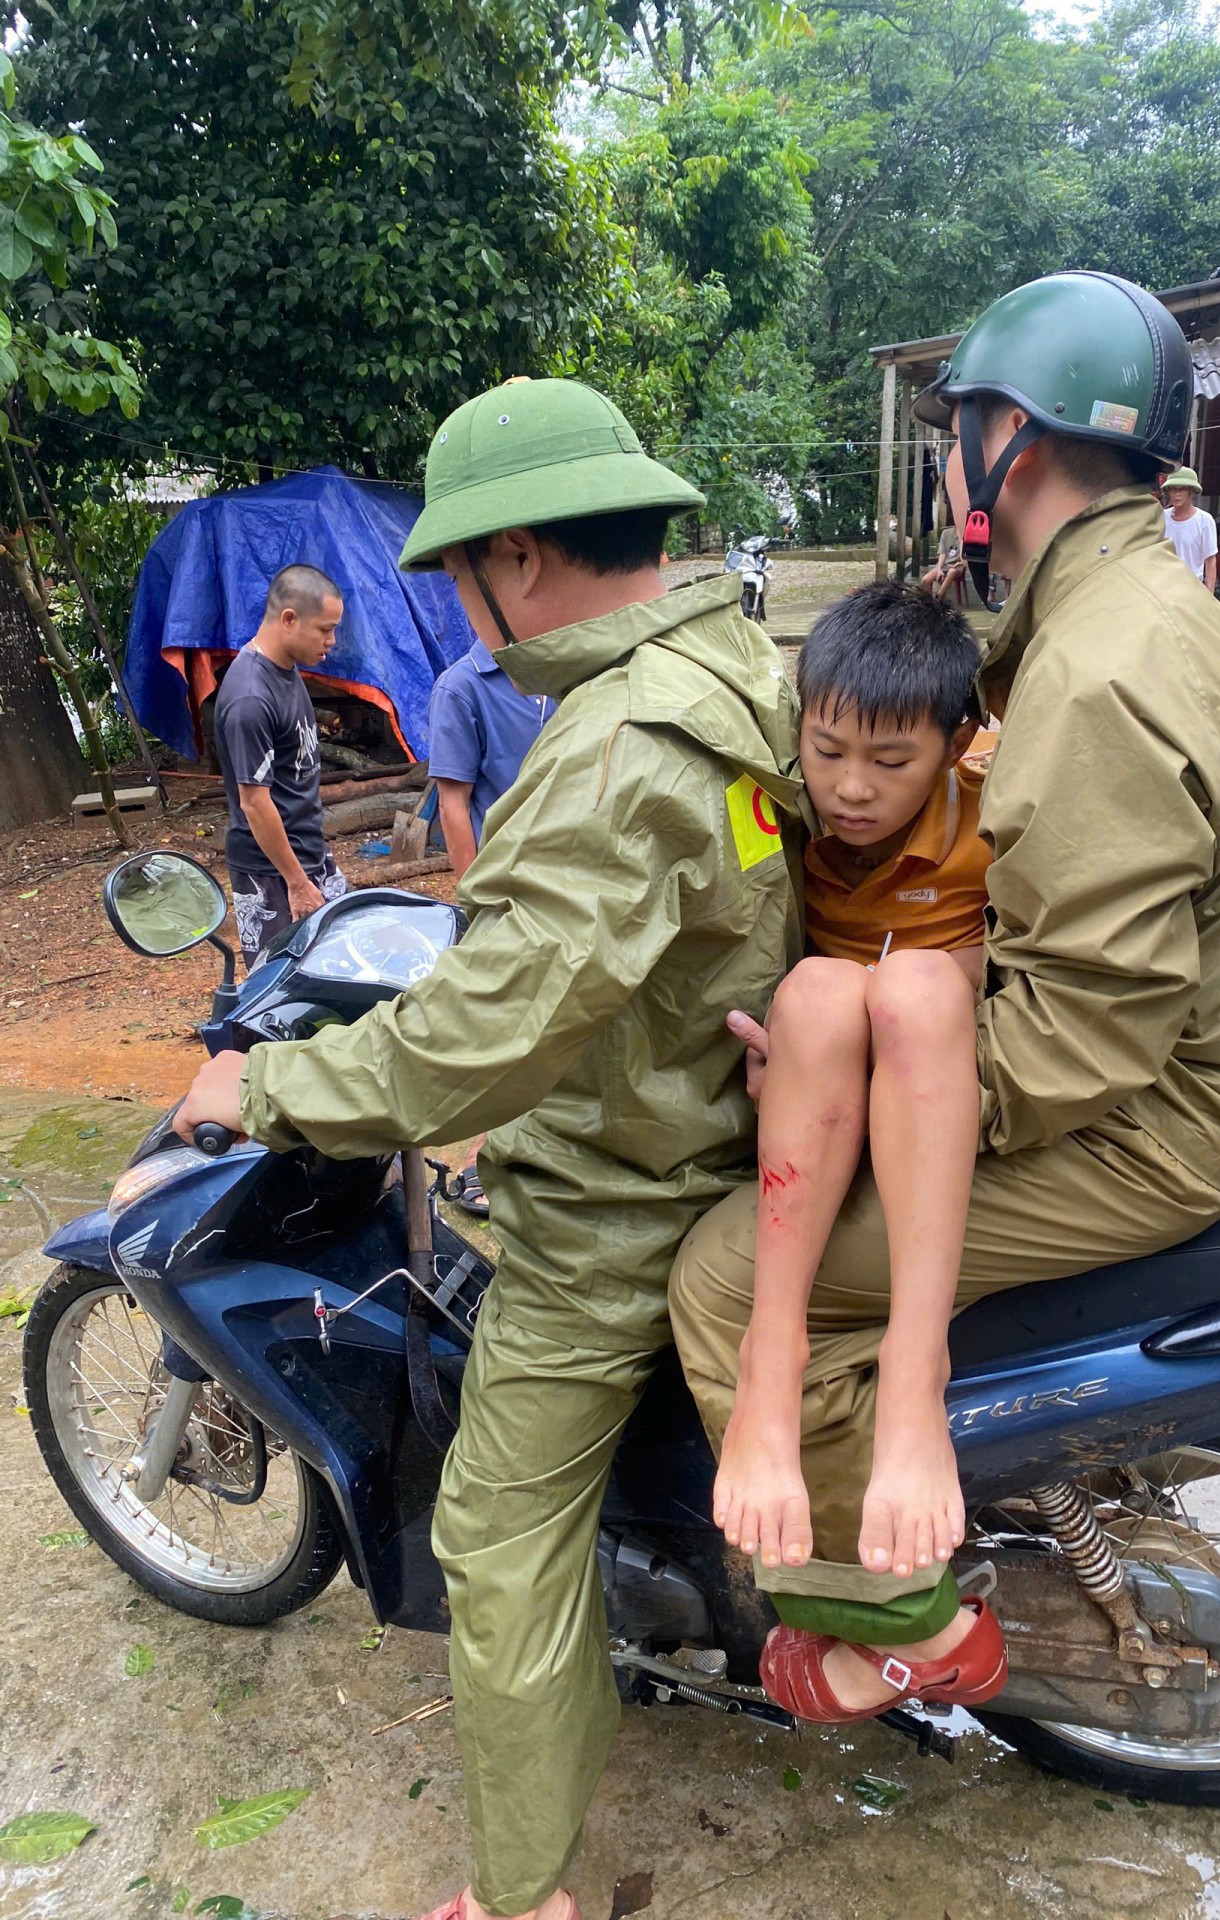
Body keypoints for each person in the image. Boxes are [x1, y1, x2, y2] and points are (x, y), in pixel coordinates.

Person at [670, 269, 1220, 1728]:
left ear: (1008, 447)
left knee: (728, 1274)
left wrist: (829, 1086)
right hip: (1191, 1079)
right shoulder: (1142, 615)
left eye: (960, 424)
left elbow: (1080, 1035)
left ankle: (885, 1620)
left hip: (1155, 1123)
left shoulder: (1098, 674)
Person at [174, 376, 804, 1920]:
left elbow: (466, 1048)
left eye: (459, 575)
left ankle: (522, 1895)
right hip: (724, 1118)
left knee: (497, 1530)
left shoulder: (608, 751)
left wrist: (253, 1094)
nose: (463, 610)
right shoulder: (731, 665)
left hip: (622, 1202)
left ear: (517, 557)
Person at [714, 582, 995, 1626]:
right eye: (827, 750)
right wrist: (761, 1043)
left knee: (917, 984)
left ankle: (914, 1381)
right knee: (818, 992)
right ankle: (771, 1361)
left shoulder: (993, 823)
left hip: (928, 1082)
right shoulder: (775, 815)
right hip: (815, 1100)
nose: (852, 789)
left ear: (957, 741)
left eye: (891, 762)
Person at [213, 564, 348, 968]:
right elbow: (254, 803)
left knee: (341, 962)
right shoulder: (250, 698)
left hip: (308, 854)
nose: (332, 640)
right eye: (325, 629)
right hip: (272, 873)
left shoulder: (285, 672)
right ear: (289, 619)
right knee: (282, 986)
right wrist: (295, 882)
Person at [428, 630, 555, 876]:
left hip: (570, 868)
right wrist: (474, 899)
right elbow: (453, 803)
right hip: (505, 877)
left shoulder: (565, 675)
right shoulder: (460, 688)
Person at [1161, 465, 1218, 590]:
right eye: (1173, 489)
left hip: (1192, 588)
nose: (1176, 494)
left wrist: (1209, 594)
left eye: (1181, 489)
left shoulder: (1204, 521)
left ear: (1191, 492)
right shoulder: (1162, 518)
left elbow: (1210, 560)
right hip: (1164, 586)